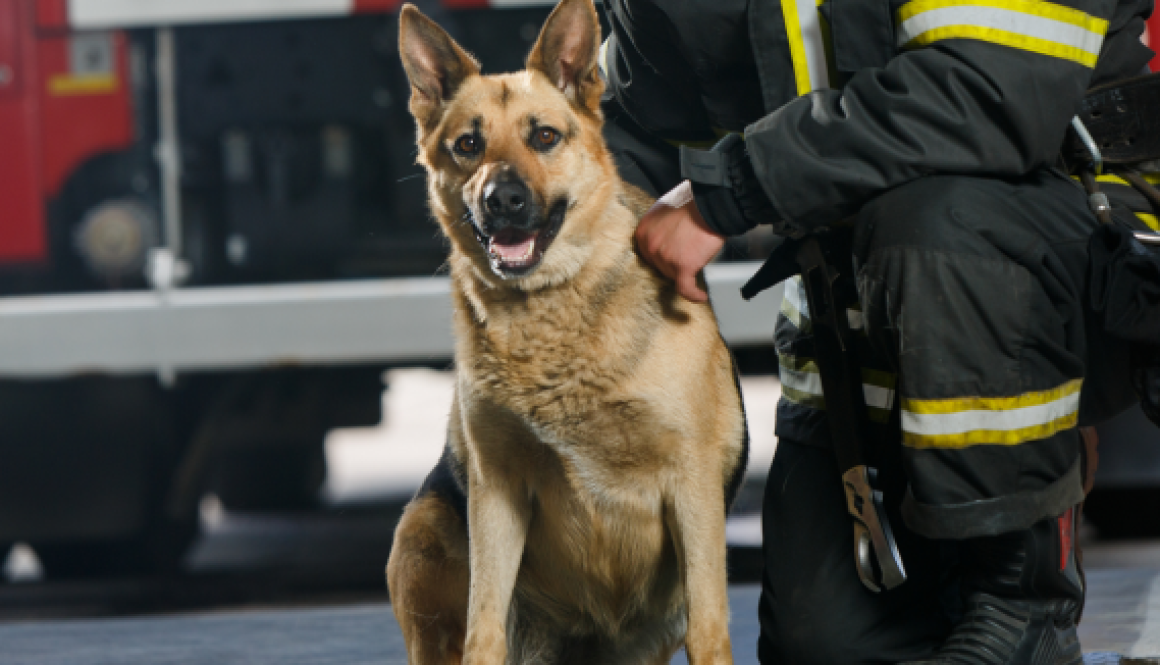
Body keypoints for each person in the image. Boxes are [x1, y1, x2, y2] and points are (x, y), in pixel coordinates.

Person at [597, 0, 1158, 662]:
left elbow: (976, 94)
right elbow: (630, 122)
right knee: (825, 646)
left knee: (940, 222)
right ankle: (966, 528)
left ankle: (1024, 607)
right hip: (856, 307)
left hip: (1076, 246)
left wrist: (732, 190)